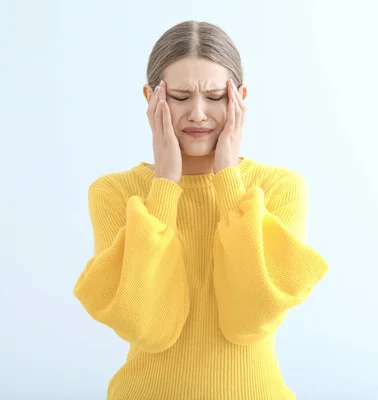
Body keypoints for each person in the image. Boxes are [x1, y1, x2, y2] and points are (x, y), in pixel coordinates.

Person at [73, 20, 330, 400]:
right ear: (150, 97)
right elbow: (146, 326)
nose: (197, 113)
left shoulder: (279, 187)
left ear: (239, 97)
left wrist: (228, 179)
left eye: (214, 96)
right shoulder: (115, 192)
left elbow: (252, 318)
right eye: (179, 96)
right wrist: (164, 186)